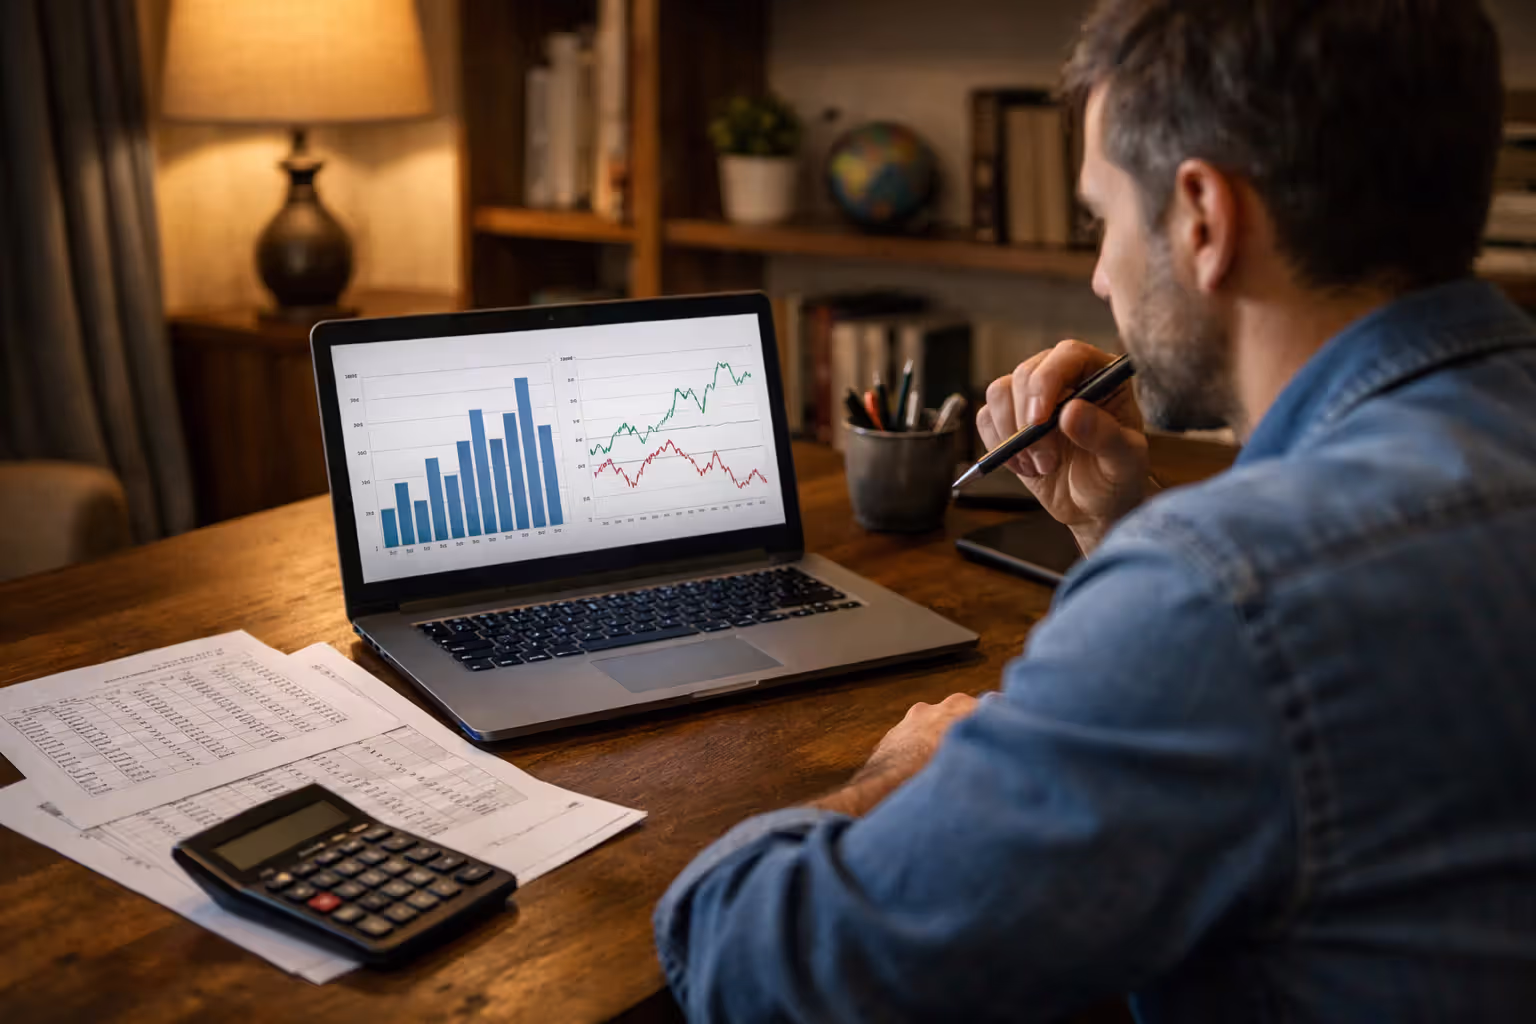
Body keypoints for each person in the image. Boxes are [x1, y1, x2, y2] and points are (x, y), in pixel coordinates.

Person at [653, 0, 1536, 1020]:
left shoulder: (1226, 598)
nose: (1100, 274)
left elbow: (758, 966)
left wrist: (902, 775)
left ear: (1203, 219)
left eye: (1103, 218)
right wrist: (1121, 532)